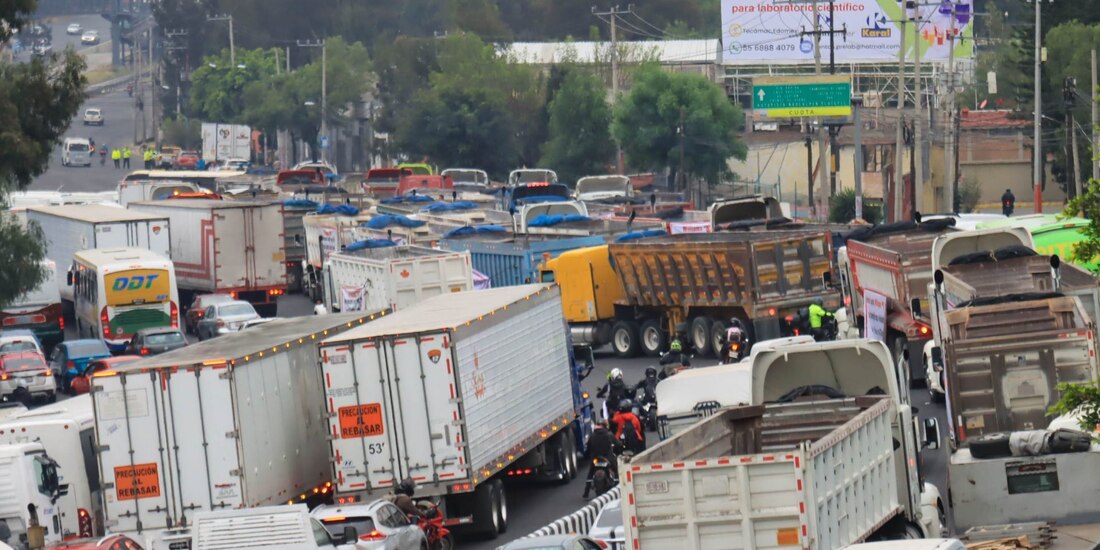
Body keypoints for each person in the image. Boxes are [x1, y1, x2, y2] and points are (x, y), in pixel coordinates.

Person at [581, 420, 621, 499]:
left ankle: (586, 492)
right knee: (616, 471)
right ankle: (619, 488)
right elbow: (618, 444)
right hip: (607, 458)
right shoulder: (609, 434)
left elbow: (588, 448)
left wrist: (589, 456)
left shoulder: (592, 435)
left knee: (590, 473)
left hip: (595, 459)